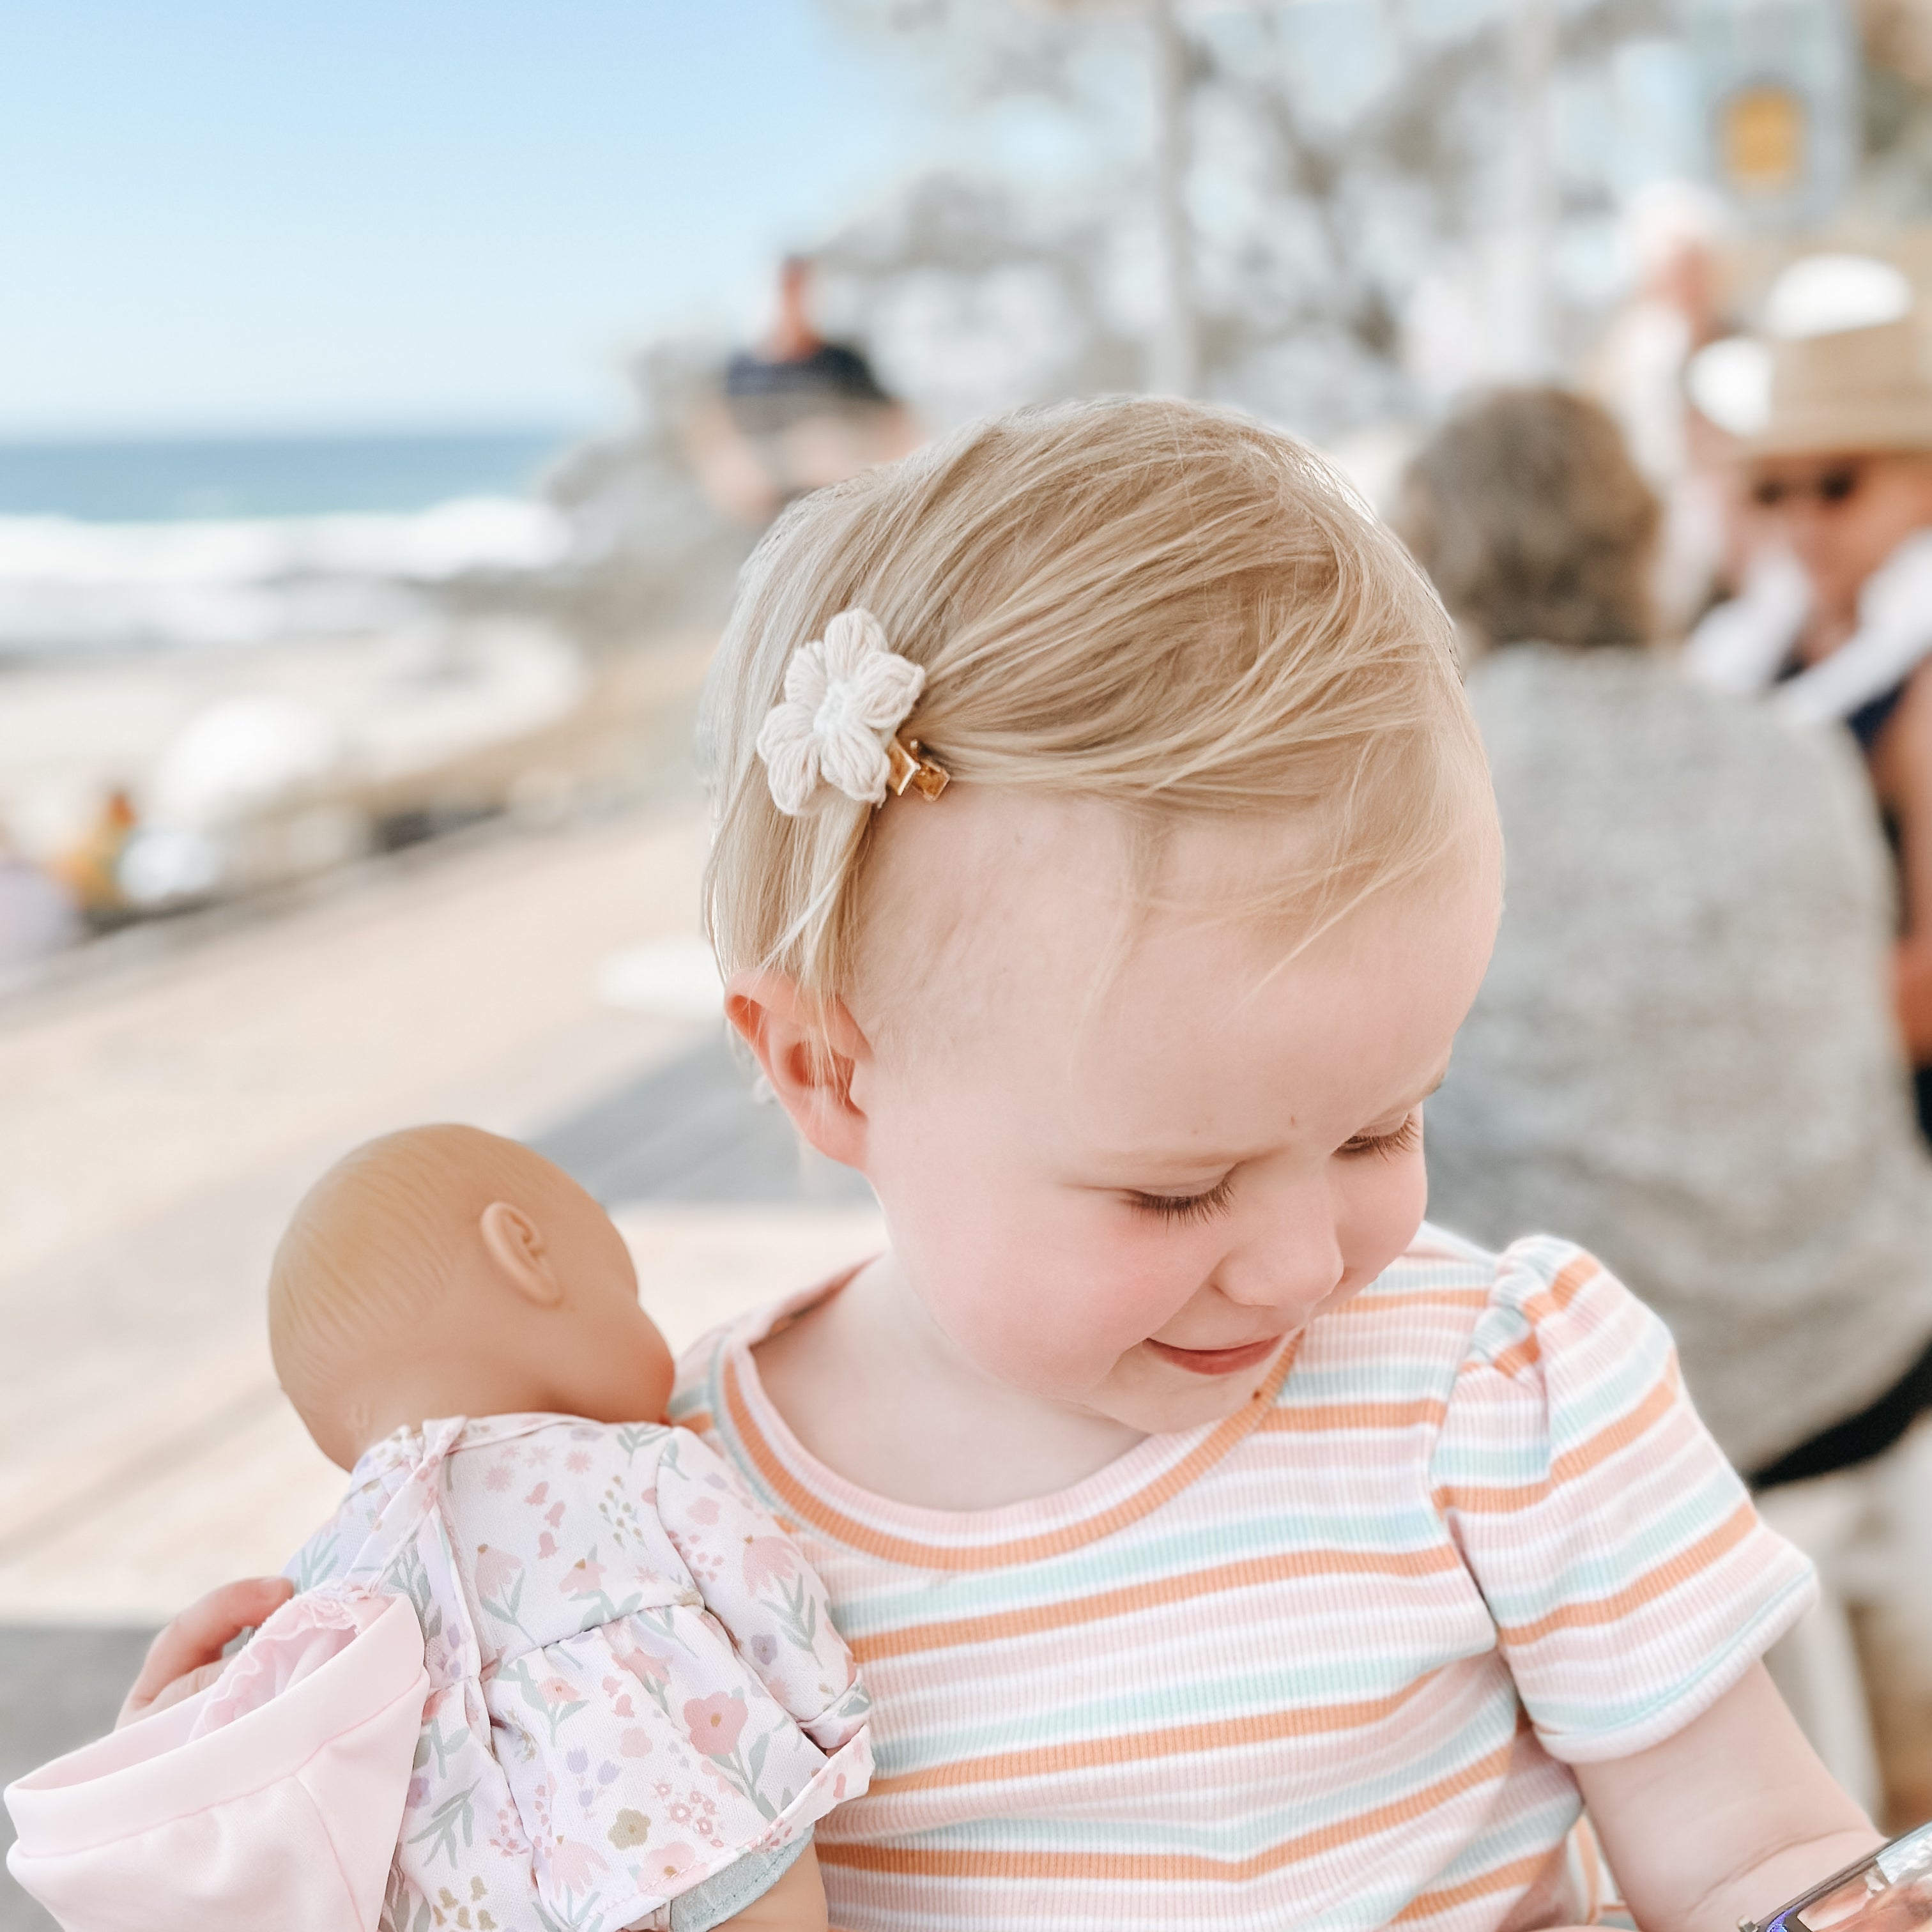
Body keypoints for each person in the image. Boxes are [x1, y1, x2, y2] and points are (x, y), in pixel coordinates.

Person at [129, 400, 1871, 1932]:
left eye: (1378, 1127)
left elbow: (1750, 1866)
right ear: (828, 1068)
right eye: (1174, 1190)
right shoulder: (648, 1529)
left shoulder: (1497, 1391)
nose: (1299, 1264)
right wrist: (290, 1807)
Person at [1405, 386, 1932, 1815]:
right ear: (1644, 544)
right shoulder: (1798, 754)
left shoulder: (1417, 796)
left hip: (1621, 1446)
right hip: (1875, 1351)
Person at [34, 1126, 870, 1932]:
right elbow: (764, 1592)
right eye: (627, 1288)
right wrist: (827, 1713)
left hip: (466, 1896)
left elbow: (280, 1793)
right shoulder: (641, 1461)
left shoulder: (319, 1585)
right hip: (692, 1819)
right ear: (527, 1255)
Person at [1685, 263, 1932, 1140]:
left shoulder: (1920, 682)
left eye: (1837, 481)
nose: (1804, 518)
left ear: (1923, 479)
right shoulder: (1747, 652)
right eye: (1773, 487)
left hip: (1874, 1129)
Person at [686, 256, 919, 528]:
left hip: (849, 517)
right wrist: (791, 460)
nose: (795, 302)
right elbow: (721, 463)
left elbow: (900, 429)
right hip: (773, 529)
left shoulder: (844, 363)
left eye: (802, 291)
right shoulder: (740, 375)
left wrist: (855, 458)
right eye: (786, 291)